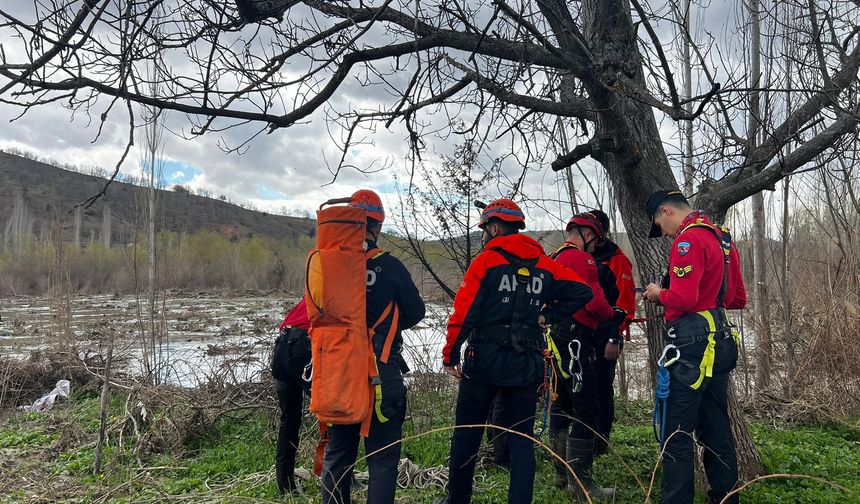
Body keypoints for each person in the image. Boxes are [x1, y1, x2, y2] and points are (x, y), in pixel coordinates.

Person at [438, 198, 594, 504]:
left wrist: (450, 354)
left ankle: (457, 500)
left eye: (484, 230)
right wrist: (547, 317)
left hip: (483, 362)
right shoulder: (545, 265)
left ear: (495, 228)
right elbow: (582, 292)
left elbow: (463, 313)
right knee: (521, 440)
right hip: (526, 364)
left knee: (467, 436)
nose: (483, 236)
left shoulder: (485, 262)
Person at [320, 189, 426, 504]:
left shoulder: (328, 265)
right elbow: (416, 312)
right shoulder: (389, 267)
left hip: (338, 374)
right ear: (377, 227)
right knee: (382, 461)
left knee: (338, 456)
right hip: (381, 375)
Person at [641, 190, 747, 504]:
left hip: (691, 345)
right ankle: (726, 499)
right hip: (720, 341)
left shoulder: (687, 241)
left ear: (666, 211)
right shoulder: (722, 239)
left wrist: (658, 292)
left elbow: (685, 299)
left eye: (659, 224)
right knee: (716, 429)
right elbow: (736, 299)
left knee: (676, 434)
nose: (662, 232)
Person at [547, 212, 625, 500]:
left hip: (557, 339)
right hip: (576, 340)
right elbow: (593, 299)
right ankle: (581, 486)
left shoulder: (554, 257)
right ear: (589, 235)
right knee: (586, 408)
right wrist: (613, 315)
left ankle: (560, 473)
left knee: (562, 402)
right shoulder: (582, 259)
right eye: (595, 242)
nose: (595, 249)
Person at [588, 209, 636, 456]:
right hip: (580, 336)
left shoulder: (616, 259)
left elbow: (626, 303)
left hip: (606, 335)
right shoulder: (579, 256)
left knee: (601, 388)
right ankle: (583, 436)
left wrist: (615, 337)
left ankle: (600, 441)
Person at [271, 297, 311, 495]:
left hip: (281, 348)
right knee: (335, 418)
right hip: (304, 348)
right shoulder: (337, 291)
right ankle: (341, 480)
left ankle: (285, 487)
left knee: (289, 421)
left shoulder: (311, 292)